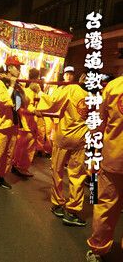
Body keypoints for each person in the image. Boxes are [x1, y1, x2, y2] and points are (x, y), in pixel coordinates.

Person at [34, 65, 89, 227]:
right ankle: (72, 211)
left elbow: (51, 102)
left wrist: (39, 94)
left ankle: (58, 203)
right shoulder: (99, 95)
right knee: (77, 175)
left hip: (64, 136)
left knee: (58, 171)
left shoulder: (71, 90)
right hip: (81, 138)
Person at [86, 76, 123, 261]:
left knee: (106, 206)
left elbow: (98, 125)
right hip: (112, 159)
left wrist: (93, 154)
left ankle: (98, 249)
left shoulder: (113, 87)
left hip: (113, 158)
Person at [0, 56, 26, 192]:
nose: (19, 70)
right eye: (17, 67)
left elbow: (23, 102)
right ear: (9, 68)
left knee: (8, 154)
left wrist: (18, 88)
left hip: (13, 124)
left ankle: (1, 176)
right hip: (1, 124)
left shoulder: (16, 85)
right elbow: (4, 100)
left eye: (19, 67)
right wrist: (12, 85)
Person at [11, 68, 40, 177]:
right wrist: (34, 110)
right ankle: (21, 167)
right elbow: (26, 106)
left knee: (20, 146)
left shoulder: (24, 90)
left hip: (23, 123)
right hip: (27, 123)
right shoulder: (29, 91)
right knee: (27, 147)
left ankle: (16, 164)